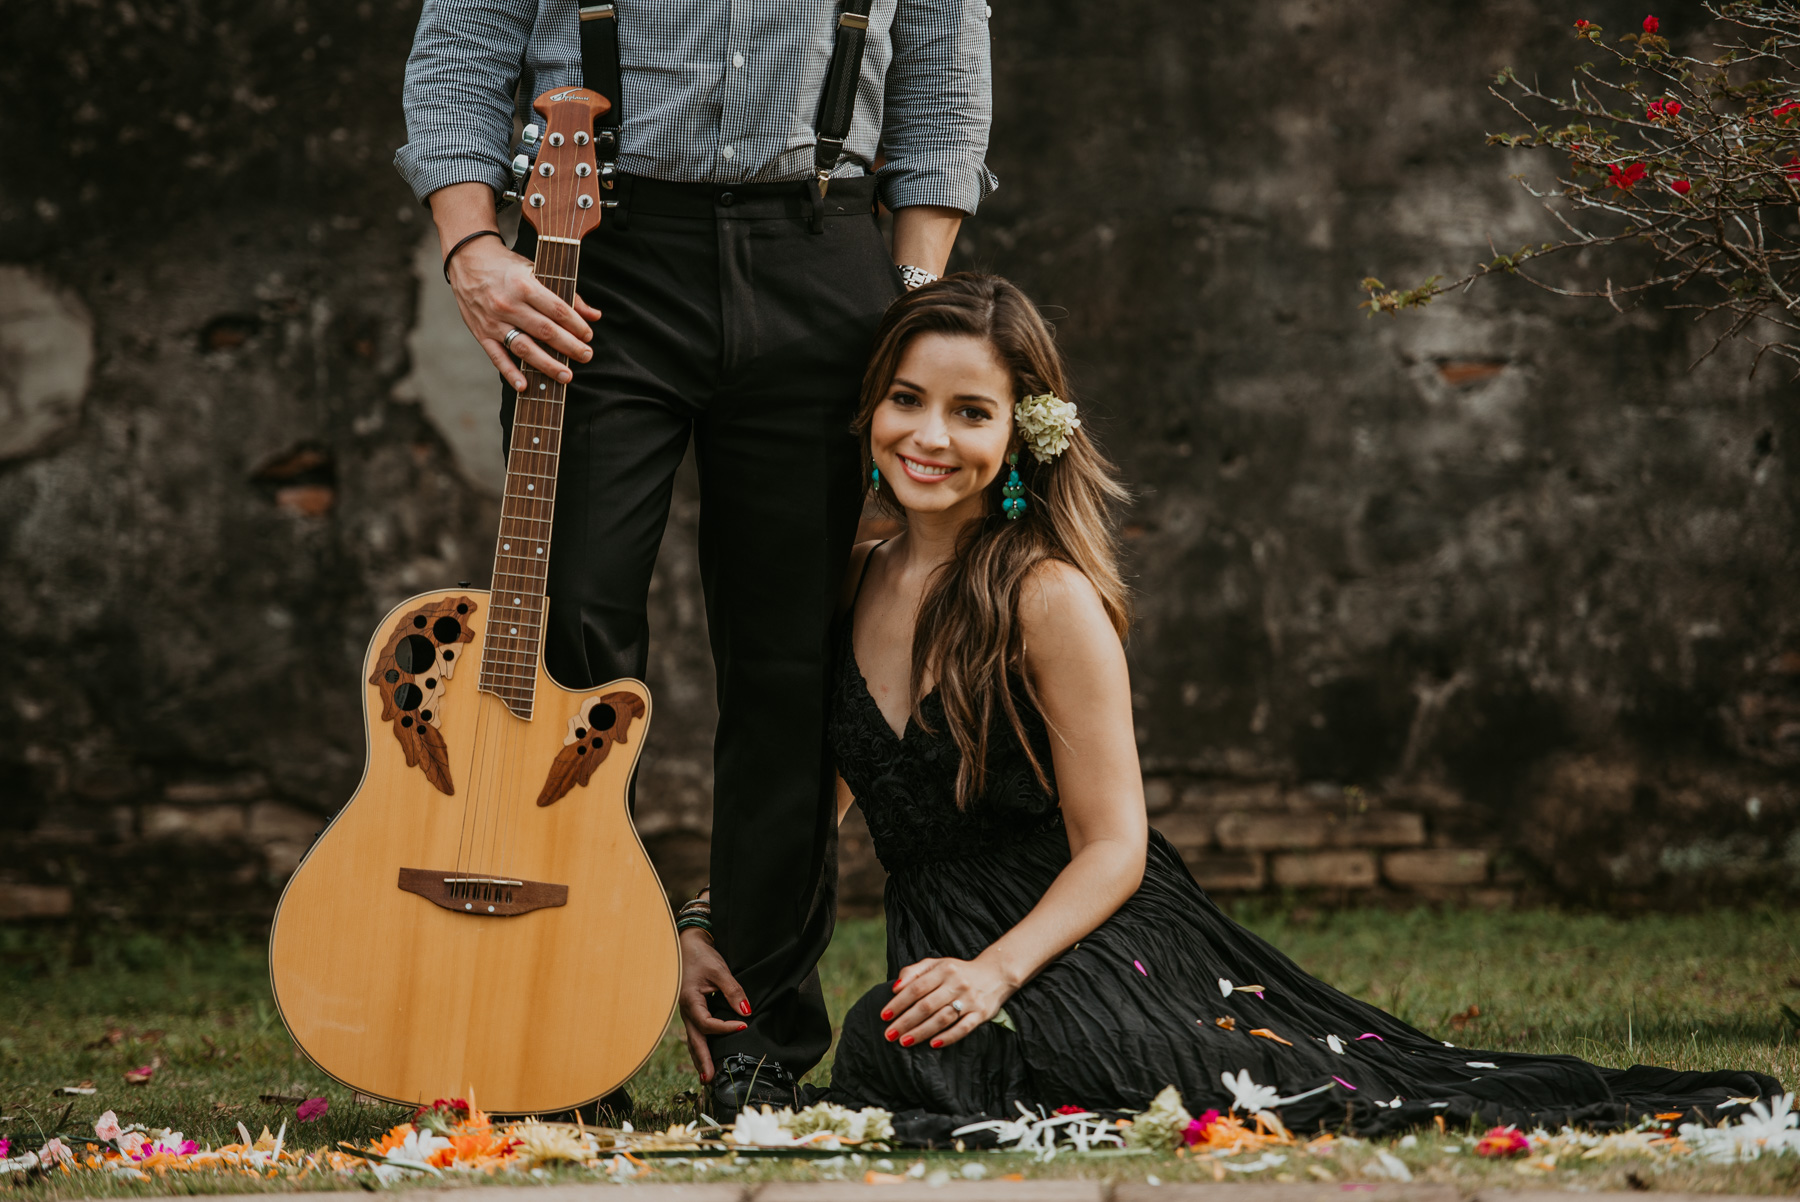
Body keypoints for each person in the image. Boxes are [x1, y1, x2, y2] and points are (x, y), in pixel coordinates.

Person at [811, 272, 1782, 1142]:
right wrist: (705, 914)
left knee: (1132, 1086)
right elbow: (827, 798)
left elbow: (1114, 843)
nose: (929, 436)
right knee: (887, 1050)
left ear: (1020, 432)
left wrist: (994, 972)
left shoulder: (1045, 596)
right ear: (873, 406)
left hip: (1084, 943)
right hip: (945, 949)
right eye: (907, 399)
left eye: (969, 410)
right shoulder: (850, 583)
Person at [394, 0, 996, 1120]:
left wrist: (910, 306)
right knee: (565, 643)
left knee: (790, 666)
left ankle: (761, 1037)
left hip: (823, 259)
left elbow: (942, 100)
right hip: (596, 256)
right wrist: (474, 247)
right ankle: (561, 1026)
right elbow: (463, 53)